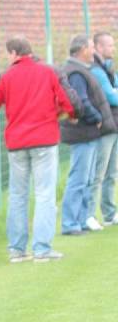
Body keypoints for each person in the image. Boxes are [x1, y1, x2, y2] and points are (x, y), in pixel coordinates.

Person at [0, 35, 76, 262]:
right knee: (44, 195)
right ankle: (42, 249)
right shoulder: (49, 71)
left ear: (13, 53)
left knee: (18, 195)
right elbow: (70, 101)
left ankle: (17, 250)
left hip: (17, 144)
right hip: (45, 141)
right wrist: (72, 115)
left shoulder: (6, 77)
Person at [60, 34, 117, 236]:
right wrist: (97, 116)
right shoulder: (76, 73)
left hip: (88, 132)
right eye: (92, 47)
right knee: (79, 179)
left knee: (86, 178)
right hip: (82, 132)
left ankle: (82, 219)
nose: (94, 52)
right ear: (82, 49)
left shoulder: (82, 70)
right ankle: (69, 223)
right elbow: (81, 101)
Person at [88, 32, 118, 226]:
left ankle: (109, 213)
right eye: (109, 45)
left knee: (112, 172)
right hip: (105, 128)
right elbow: (112, 97)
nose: (112, 49)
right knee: (98, 172)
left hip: (114, 125)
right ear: (98, 47)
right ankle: (89, 214)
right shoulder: (96, 71)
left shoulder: (109, 69)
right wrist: (114, 91)